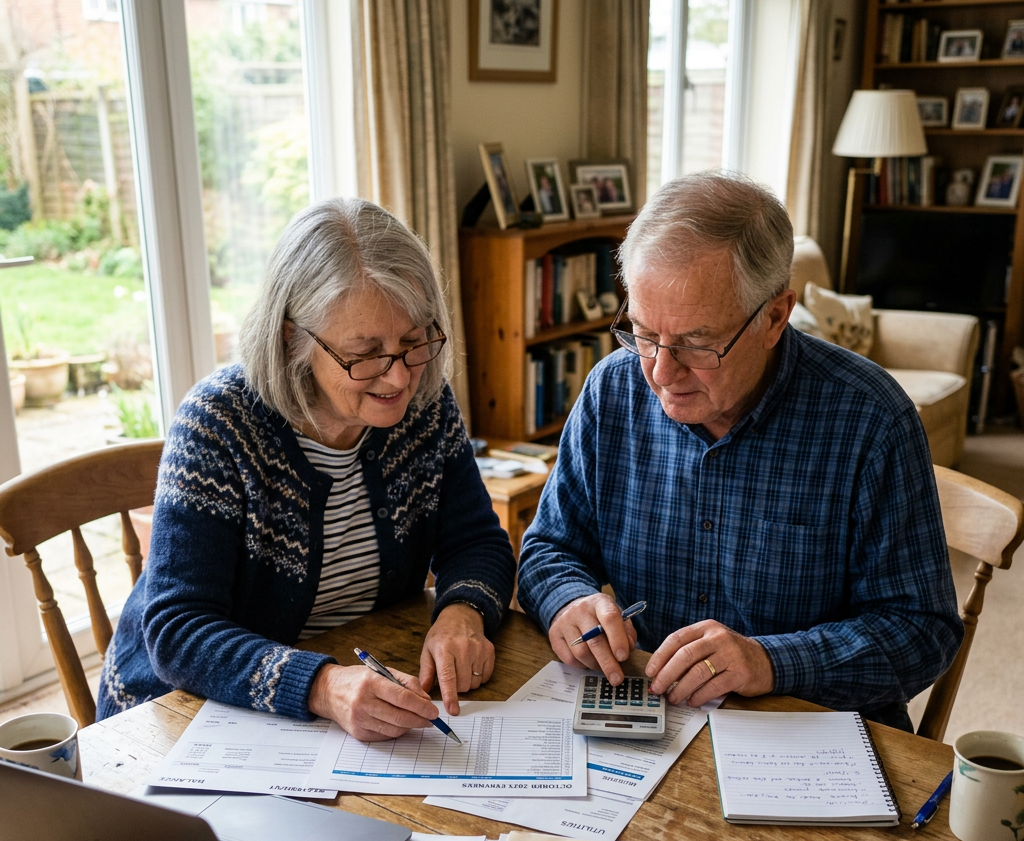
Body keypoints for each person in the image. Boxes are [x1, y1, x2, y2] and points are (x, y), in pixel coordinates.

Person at [517, 171, 963, 731]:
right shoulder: (613, 390)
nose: (659, 372)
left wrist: (771, 661)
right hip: (656, 722)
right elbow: (548, 549)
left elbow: (923, 631)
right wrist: (567, 600)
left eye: (698, 344)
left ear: (775, 316)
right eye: (644, 333)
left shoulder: (870, 419)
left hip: (810, 734)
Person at [99, 198, 516, 741]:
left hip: (345, 699)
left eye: (413, 342)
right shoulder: (219, 424)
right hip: (175, 720)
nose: (398, 378)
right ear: (292, 337)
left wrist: (463, 610)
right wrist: (321, 686)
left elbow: (477, 540)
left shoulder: (426, 407)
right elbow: (179, 630)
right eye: (364, 353)